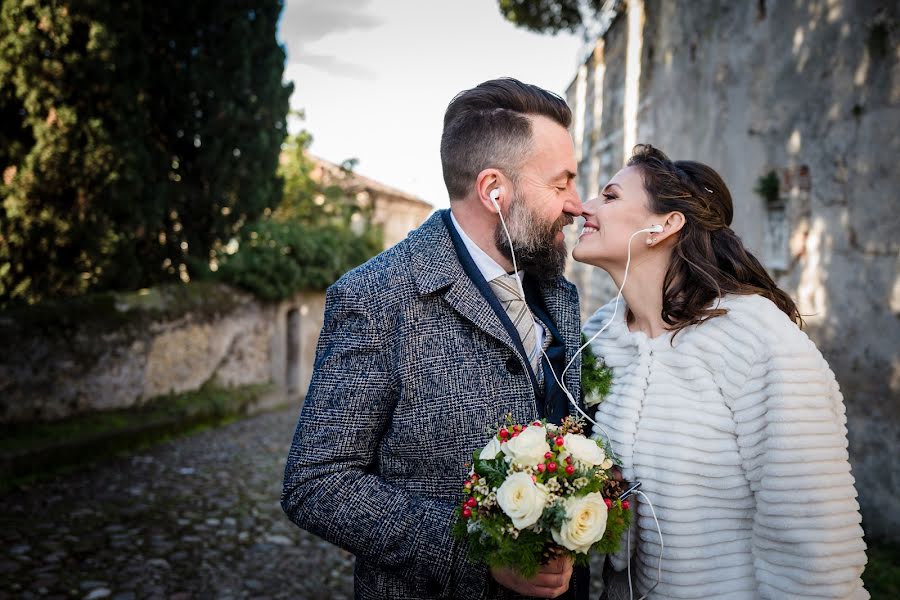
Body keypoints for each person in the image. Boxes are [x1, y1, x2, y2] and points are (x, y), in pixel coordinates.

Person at [282, 78, 591, 599]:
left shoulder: (556, 291)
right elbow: (317, 482)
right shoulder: (378, 295)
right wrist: (478, 556)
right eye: (560, 184)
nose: (576, 205)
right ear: (495, 190)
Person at [573, 144, 868, 599]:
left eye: (609, 197)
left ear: (664, 226)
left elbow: (812, 540)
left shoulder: (753, 337)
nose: (583, 207)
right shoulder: (600, 337)